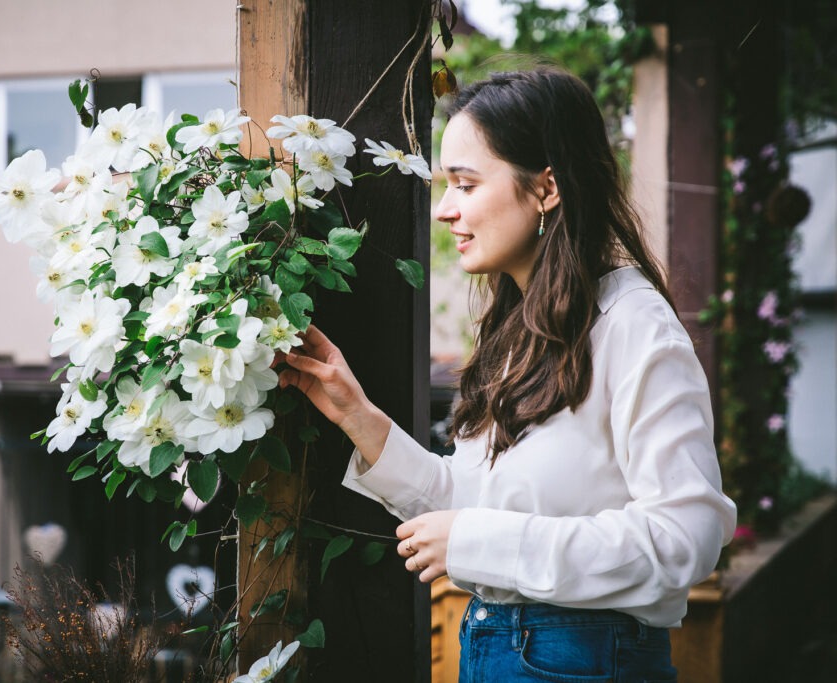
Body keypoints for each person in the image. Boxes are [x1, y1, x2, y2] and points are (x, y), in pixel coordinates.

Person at [276, 67, 737, 682]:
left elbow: (688, 535)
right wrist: (359, 416)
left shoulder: (633, 325)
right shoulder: (520, 332)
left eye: (465, 185)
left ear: (546, 188)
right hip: (497, 649)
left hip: (587, 661)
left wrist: (480, 543)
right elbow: (473, 510)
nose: (444, 210)